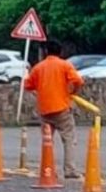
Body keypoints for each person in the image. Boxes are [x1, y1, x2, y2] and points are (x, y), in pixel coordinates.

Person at [24, 40, 84, 178]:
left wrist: (38, 90)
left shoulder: (38, 68)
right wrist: (73, 91)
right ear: (60, 52)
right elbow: (79, 81)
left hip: (45, 109)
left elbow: (27, 85)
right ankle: (69, 170)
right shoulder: (64, 65)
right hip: (62, 108)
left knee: (47, 141)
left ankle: (47, 169)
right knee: (68, 139)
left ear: (46, 52)